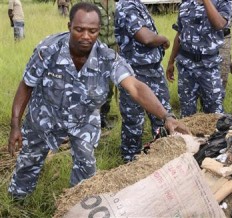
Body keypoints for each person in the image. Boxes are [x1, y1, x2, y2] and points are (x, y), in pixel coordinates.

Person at [7, 2, 190, 199]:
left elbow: (135, 87)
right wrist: (15, 125)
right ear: (69, 27)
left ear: (99, 30)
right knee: (28, 162)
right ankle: (18, 200)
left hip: (83, 121)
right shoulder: (48, 49)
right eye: (79, 30)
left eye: (92, 31)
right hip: (44, 117)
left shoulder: (108, 58)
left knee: (86, 175)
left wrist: (167, 116)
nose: (86, 36)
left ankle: (76, 206)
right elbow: (26, 85)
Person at [115, 0, 172, 163]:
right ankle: (130, 162)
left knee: (162, 116)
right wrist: (164, 39)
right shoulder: (127, 6)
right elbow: (145, 38)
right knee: (134, 122)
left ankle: (162, 157)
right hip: (136, 72)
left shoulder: (136, 4)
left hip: (152, 70)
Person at [166, 0, 232, 117]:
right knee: (187, 113)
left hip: (209, 67)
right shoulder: (186, 3)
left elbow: (219, 24)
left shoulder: (222, 2)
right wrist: (171, 61)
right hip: (186, 67)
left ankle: (215, 135)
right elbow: (180, 34)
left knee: (214, 113)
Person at [94, 0, 118, 128]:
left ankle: (103, 116)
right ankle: (92, 117)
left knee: (109, 84)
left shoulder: (114, 2)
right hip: (96, 49)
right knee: (94, 83)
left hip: (113, 49)